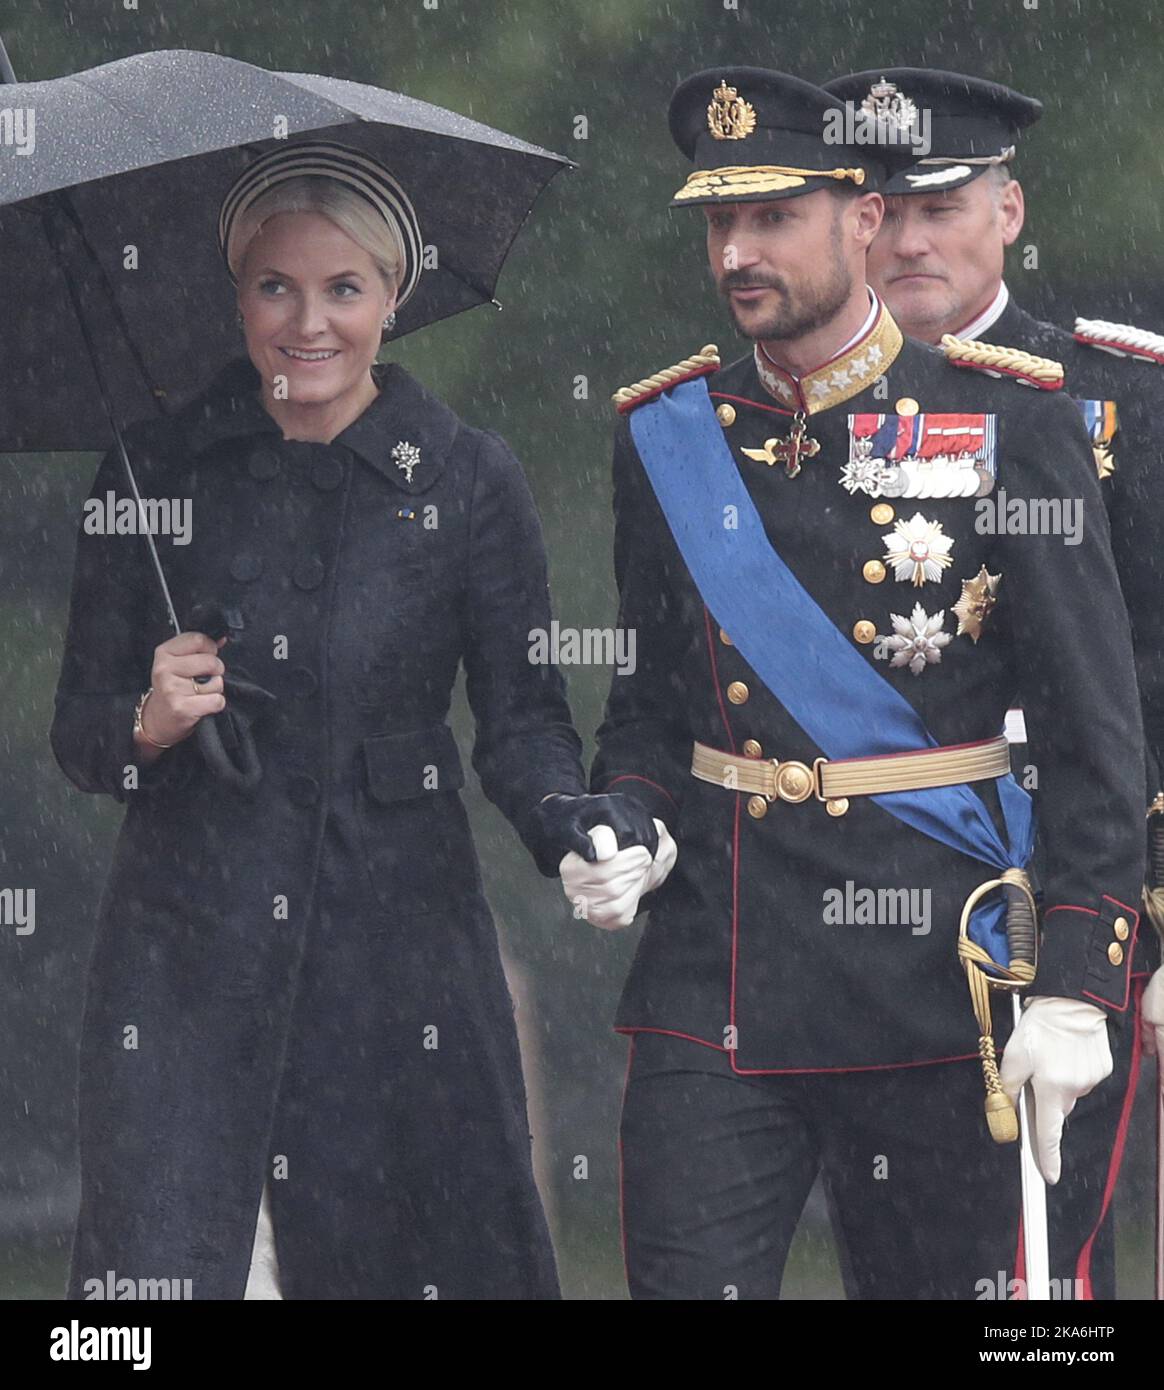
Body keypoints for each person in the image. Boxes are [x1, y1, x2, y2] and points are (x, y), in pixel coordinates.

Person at [561, 67, 1145, 1299]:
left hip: (942, 990)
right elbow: (655, 710)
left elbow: (1099, 737)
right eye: (721, 224)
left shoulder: (1013, 422)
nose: (737, 254)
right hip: (718, 983)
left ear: (861, 221)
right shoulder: (669, 434)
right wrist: (626, 817)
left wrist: (1087, 978)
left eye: (772, 219)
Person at [50, 138, 657, 1300]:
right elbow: (79, 732)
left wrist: (569, 821)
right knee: (163, 1271)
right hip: (186, 950)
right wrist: (148, 719)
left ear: (395, 295)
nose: (307, 322)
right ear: (237, 295)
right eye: (275, 286)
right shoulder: (147, 470)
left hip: (400, 946)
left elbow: (523, 722)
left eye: (344, 288)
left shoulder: (471, 479)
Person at [823, 66, 1164, 1296]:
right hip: (858, 903)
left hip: (1063, 895)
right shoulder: (797, 419)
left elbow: (1152, 672)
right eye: (881, 210)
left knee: (1041, 1268)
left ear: (1007, 212)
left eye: (941, 207)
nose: (908, 239)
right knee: (894, 1264)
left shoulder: (1120, 393)